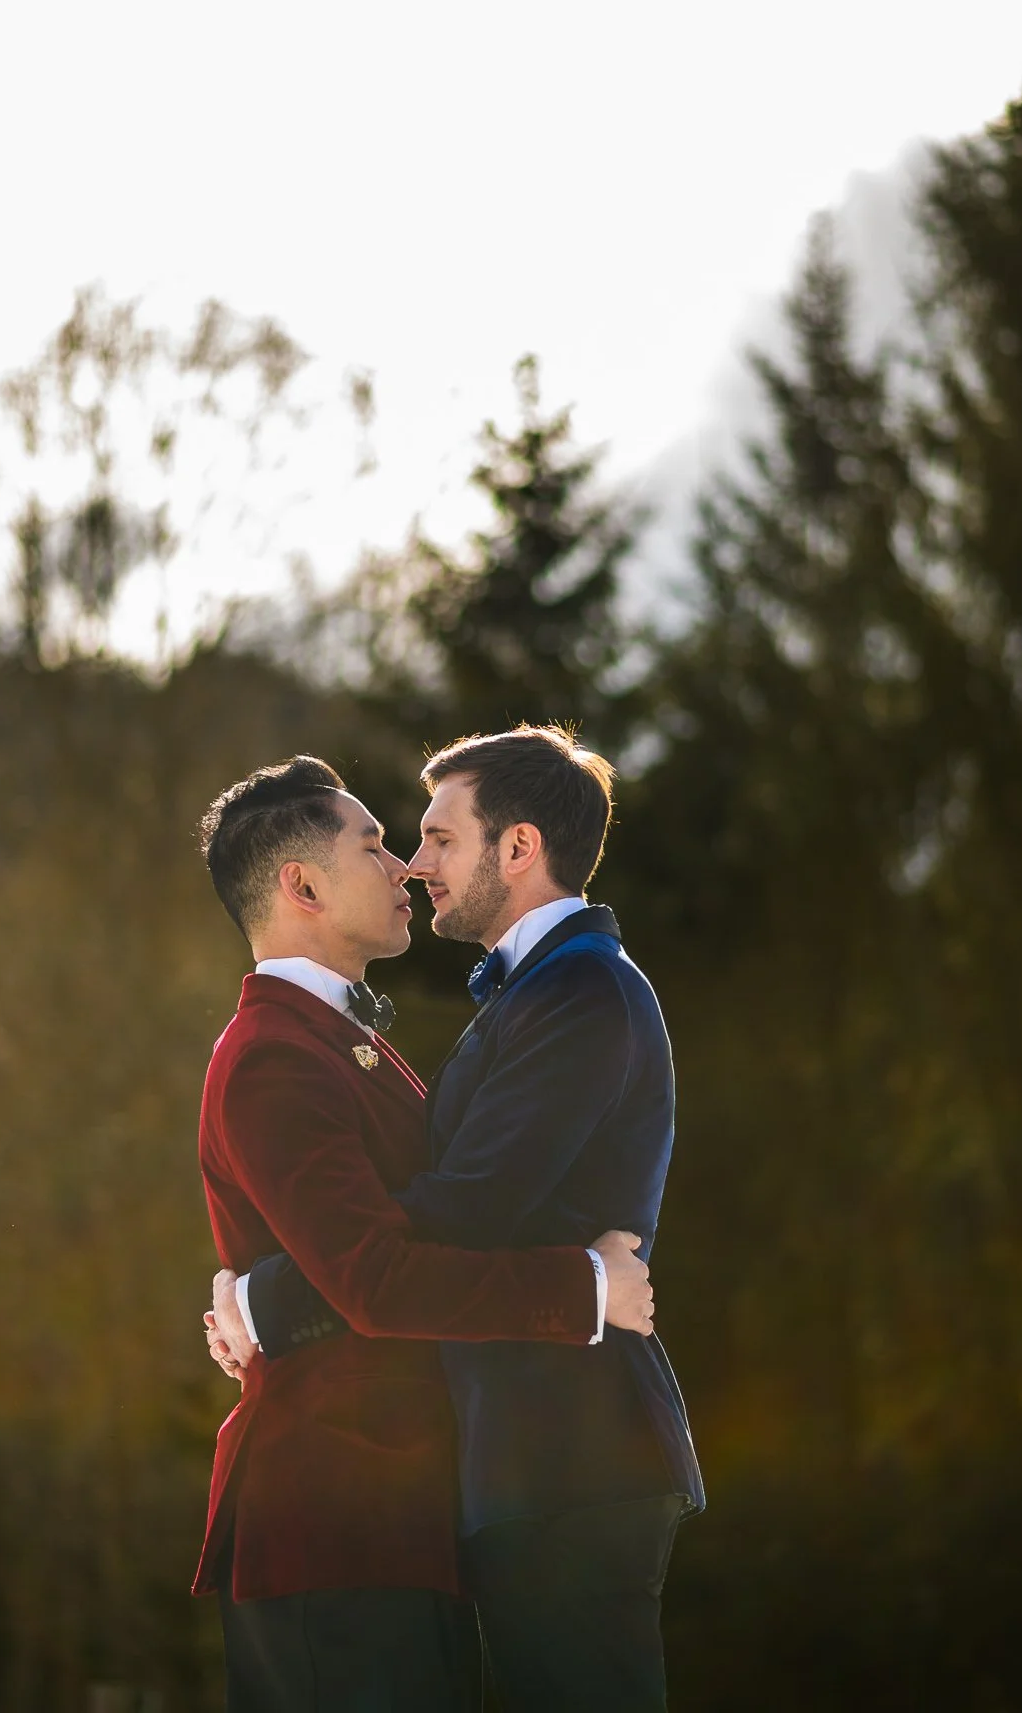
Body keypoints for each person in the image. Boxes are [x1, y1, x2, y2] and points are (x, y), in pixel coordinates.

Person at [210, 725, 704, 1712]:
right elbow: (396, 1246)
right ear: (303, 886)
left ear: (516, 847)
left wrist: (267, 1301)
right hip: (369, 1496)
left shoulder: (577, 989)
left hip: (556, 1454)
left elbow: (454, 1211)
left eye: (435, 837)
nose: (412, 863)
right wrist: (581, 1285)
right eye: (386, 843)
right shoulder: (288, 1047)